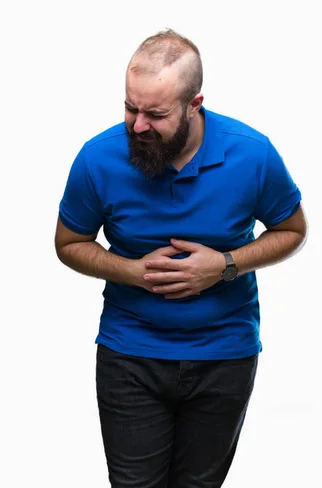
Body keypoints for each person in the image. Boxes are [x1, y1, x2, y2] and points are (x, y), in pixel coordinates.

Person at [54, 28, 307, 488]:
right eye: (130, 107)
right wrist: (130, 271)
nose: (137, 126)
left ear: (195, 104)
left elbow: (292, 231)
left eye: (155, 113)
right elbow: (69, 243)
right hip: (129, 357)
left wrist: (225, 264)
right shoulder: (97, 158)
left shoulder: (252, 154)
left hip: (224, 357)